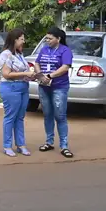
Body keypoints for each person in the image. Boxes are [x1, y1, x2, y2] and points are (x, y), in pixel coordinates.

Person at [34, 27, 74, 158]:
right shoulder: (44, 49)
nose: (47, 41)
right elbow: (37, 63)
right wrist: (40, 75)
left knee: (60, 115)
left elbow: (65, 67)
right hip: (44, 86)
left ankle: (64, 146)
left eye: (50, 38)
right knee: (47, 114)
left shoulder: (65, 51)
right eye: (46, 38)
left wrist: (50, 76)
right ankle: (49, 142)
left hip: (59, 87)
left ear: (58, 39)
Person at [0, 29, 35, 157]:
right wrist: (26, 73)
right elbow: (6, 74)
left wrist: (32, 76)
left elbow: (24, 71)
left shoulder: (19, 54)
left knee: (20, 117)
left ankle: (21, 144)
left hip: (23, 87)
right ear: (14, 40)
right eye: (21, 39)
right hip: (10, 87)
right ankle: (7, 145)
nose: (23, 42)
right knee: (10, 117)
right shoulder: (6, 54)